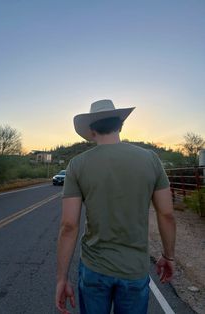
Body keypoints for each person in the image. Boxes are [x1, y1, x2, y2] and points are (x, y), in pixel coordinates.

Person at [56, 99, 176, 314]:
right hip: (134, 268)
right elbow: (166, 214)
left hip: (94, 267)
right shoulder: (151, 159)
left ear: (92, 130)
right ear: (120, 125)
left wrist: (62, 279)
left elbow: (68, 226)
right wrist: (168, 256)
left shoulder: (77, 164)